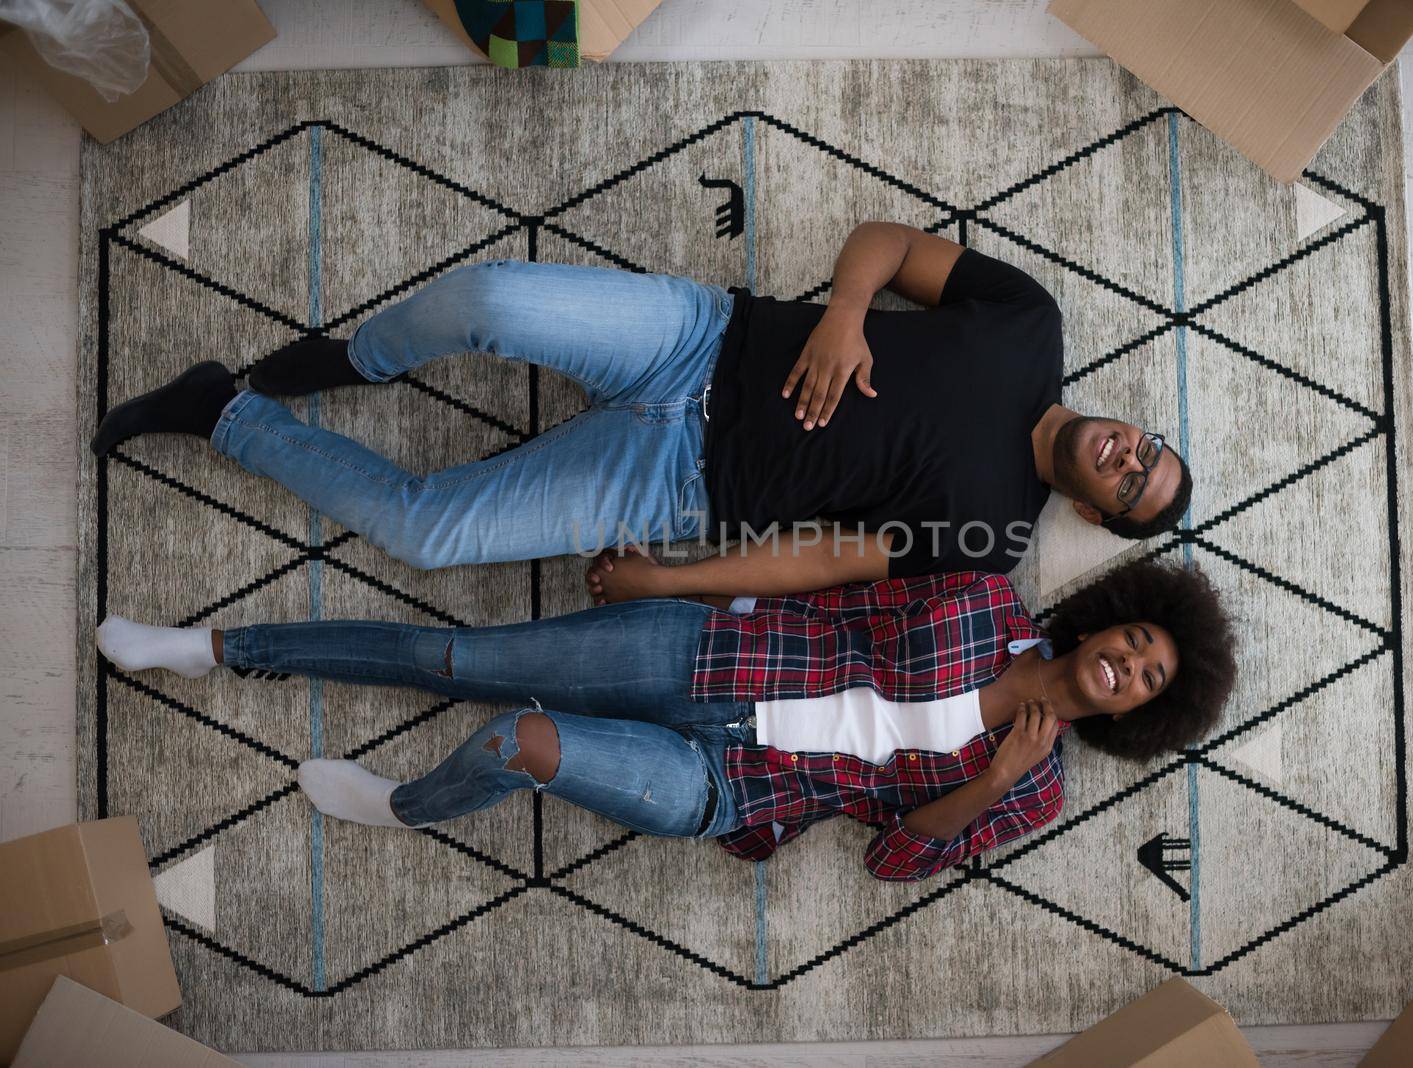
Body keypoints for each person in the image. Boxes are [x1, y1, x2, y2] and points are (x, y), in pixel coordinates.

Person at [91, 222, 1192, 595]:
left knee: (425, 535)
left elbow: (819, 562)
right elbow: (891, 245)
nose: (1128, 453)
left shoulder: (993, 536)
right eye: (1150, 445)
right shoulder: (1030, 327)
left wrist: (674, 574)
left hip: (678, 484)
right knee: (489, 297)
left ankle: (223, 413)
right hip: (702, 336)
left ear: (1098, 515)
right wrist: (847, 312)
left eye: (1132, 482)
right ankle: (364, 360)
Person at [95, 560, 1235, 881]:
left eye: (1146, 680)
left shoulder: (1035, 795)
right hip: (709, 651)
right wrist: (672, 587)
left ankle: (405, 808)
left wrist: (987, 786)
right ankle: (210, 649)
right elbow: (833, 590)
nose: (1127, 666)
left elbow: (890, 858)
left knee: (518, 746)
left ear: (1140, 713)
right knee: (462, 660)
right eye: (1135, 642)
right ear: (1108, 622)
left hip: (732, 787)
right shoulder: (987, 601)